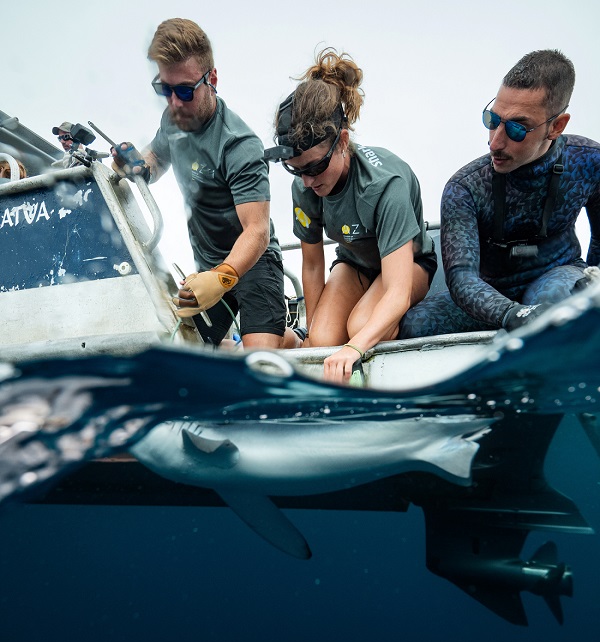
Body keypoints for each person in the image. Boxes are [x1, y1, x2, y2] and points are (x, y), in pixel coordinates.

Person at [111, 18, 299, 350]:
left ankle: (294, 340)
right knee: (184, 352)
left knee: (257, 361)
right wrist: (135, 166)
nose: (174, 102)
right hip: (206, 266)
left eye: (184, 90)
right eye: (164, 90)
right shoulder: (173, 119)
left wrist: (222, 278)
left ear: (212, 79)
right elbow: (154, 159)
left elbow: (256, 231)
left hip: (254, 262)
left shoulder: (239, 145)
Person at [400, 49, 600, 340]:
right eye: (492, 120)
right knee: (413, 326)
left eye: (517, 129)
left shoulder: (589, 161)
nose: (494, 142)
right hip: (489, 290)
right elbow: (461, 278)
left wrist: (591, 286)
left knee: (558, 303)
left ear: (556, 126)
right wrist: (513, 314)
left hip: (557, 275)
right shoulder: (465, 187)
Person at [268, 48, 436, 383]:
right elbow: (313, 266)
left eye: (316, 167)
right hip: (355, 263)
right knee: (325, 337)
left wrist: (355, 348)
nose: (308, 181)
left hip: (410, 266)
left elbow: (398, 290)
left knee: (360, 327)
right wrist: (316, 344)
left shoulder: (386, 185)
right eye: (295, 170)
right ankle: (295, 341)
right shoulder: (304, 186)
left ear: (342, 141)